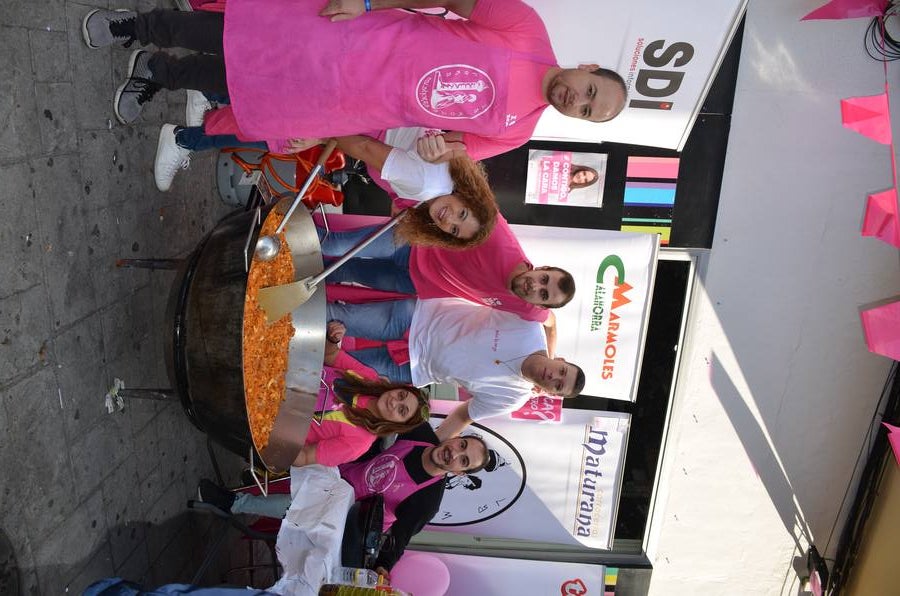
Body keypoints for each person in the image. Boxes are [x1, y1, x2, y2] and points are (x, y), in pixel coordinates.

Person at [81, 0, 627, 161]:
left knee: (246, 83)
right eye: (589, 91)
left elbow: (444, 152)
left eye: (584, 111)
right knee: (239, 35)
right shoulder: (526, 30)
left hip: (346, 104)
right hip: (353, 38)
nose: (575, 100)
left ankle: (159, 71)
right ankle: (137, 26)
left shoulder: (517, 132)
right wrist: (367, 0)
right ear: (588, 68)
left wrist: (435, 154)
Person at [196, 423, 489, 576]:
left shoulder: (428, 500)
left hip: (344, 514)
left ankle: (233, 504)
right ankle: (257, 475)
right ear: (456, 438)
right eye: (461, 445)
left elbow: (399, 539)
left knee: (301, 504)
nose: (454, 453)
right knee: (308, 452)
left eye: (463, 461)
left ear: (460, 473)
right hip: (342, 471)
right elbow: (393, 409)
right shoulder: (421, 434)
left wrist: (383, 567)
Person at [327, 297, 586, 438]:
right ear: (560, 360)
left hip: (409, 369)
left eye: (558, 385)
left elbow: (464, 415)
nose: (554, 376)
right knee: (335, 319)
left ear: (551, 393)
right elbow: (549, 316)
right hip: (416, 319)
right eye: (561, 371)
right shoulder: (530, 329)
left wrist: (431, 446)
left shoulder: (513, 399)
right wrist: (549, 341)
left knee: (333, 375)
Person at [320, 212, 574, 355]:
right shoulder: (500, 240)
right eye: (543, 279)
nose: (535, 287)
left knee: (348, 269)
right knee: (335, 245)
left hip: (411, 282)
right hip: (412, 241)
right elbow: (469, 204)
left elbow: (551, 322)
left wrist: (550, 356)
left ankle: (286, 271)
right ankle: (281, 233)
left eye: (543, 294)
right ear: (543, 268)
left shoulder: (527, 307)